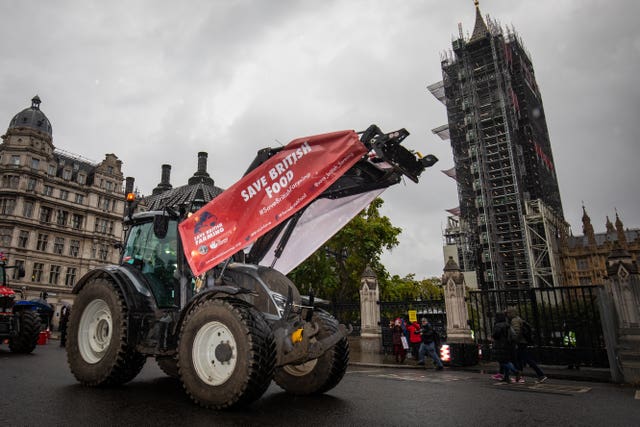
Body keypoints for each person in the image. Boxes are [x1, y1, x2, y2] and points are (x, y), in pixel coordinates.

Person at [505, 307, 547, 384]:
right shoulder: (518, 319)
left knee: (526, 359)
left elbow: (516, 332)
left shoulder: (514, 320)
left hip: (520, 343)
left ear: (511, 313)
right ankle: (519, 377)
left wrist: (514, 341)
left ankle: (541, 375)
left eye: (507, 313)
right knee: (520, 359)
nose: (506, 314)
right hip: (522, 342)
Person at [491, 312, 518, 383]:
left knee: (502, 361)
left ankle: (515, 371)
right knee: (506, 360)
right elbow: (514, 335)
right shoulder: (507, 324)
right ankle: (506, 377)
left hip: (500, 345)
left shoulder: (498, 325)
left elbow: (495, 335)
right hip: (508, 345)